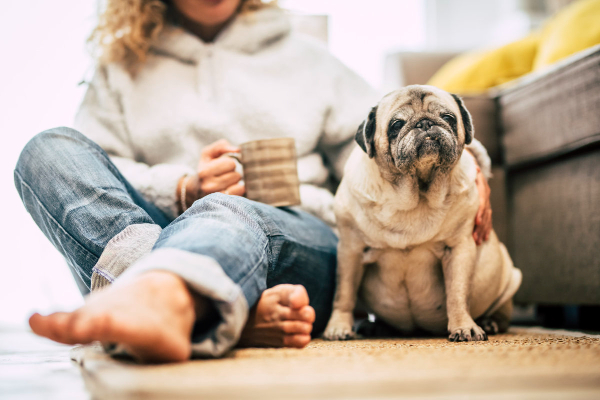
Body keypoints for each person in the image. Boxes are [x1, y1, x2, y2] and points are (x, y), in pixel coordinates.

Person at [14, 0, 493, 363]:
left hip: (294, 234)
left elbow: (392, 127)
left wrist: (471, 160)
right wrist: (181, 186)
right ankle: (205, 306)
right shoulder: (121, 66)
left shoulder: (308, 58)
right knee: (46, 151)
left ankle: (167, 298)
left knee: (225, 208)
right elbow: (100, 171)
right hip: (154, 224)